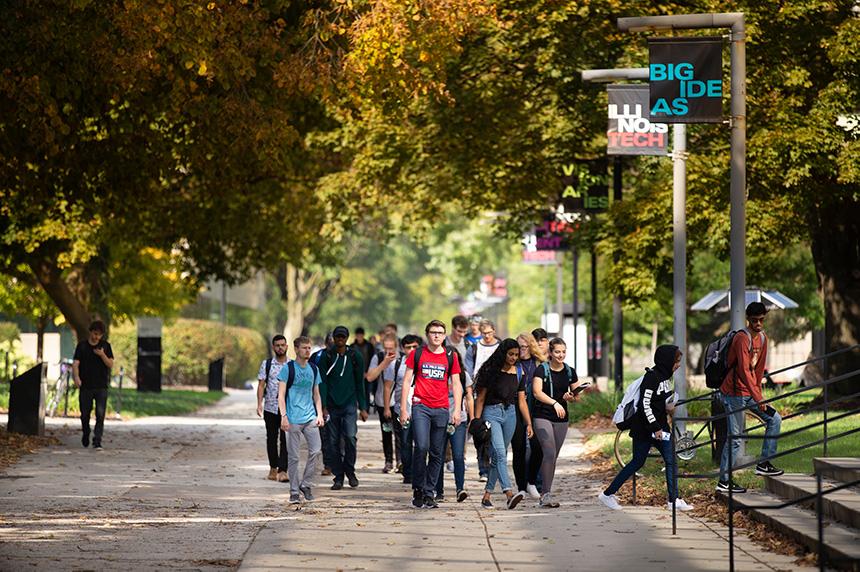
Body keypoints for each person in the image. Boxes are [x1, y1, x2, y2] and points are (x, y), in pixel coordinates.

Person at [598, 345, 694, 512]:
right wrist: (656, 427)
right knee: (641, 462)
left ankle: (673, 499)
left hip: (658, 427)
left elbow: (659, 402)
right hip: (647, 428)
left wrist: (669, 408)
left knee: (665, 461)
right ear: (666, 361)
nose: (678, 365)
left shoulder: (665, 378)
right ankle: (607, 495)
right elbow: (645, 405)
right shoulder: (652, 378)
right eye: (676, 361)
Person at [717, 302, 784, 493]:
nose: (758, 324)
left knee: (774, 419)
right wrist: (758, 397)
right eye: (754, 320)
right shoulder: (741, 338)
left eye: (762, 320)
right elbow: (744, 371)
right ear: (748, 319)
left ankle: (764, 463)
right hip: (733, 394)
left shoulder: (763, 339)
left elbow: (758, 370)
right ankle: (724, 481)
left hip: (750, 393)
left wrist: (759, 396)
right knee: (736, 437)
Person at [400, 320, 463, 509]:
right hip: (421, 407)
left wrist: (457, 409)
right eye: (433, 332)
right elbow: (406, 381)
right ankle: (418, 488)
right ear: (427, 334)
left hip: (442, 409)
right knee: (421, 447)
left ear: (444, 335)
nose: (437, 335)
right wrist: (404, 409)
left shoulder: (451, 355)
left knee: (437, 453)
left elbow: (457, 383)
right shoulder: (417, 354)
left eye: (440, 333)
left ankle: (429, 493)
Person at [474, 338, 533, 510]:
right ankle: (508, 492)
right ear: (503, 353)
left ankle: (487, 495)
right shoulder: (490, 370)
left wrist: (528, 423)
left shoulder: (520, 372)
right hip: (491, 413)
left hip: (511, 414)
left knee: (499, 456)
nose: (514, 357)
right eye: (510, 354)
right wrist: (476, 422)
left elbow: (522, 401)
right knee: (500, 452)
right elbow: (481, 398)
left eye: (516, 354)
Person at [531, 337, 582, 508]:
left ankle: (547, 492)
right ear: (550, 353)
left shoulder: (569, 371)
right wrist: (555, 402)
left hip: (561, 418)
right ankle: (545, 494)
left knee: (552, 457)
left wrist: (571, 397)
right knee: (550, 453)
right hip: (542, 415)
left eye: (563, 352)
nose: (561, 355)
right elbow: (537, 392)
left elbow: (577, 397)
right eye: (557, 352)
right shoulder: (541, 370)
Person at [318, 325, 368, 490]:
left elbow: (360, 383)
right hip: (332, 406)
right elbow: (322, 383)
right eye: (337, 337)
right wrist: (323, 406)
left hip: (349, 404)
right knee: (332, 442)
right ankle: (338, 476)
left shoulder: (355, 356)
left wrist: (363, 407)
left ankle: (350, 471)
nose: (340, 339)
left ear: (347, 338)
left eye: (343, 337)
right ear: (333, 338)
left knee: (350, 438)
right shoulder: (326, 356)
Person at [277, 336, 325, 504]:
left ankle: (306, 484)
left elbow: (316, 394)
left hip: (310, 417)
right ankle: (294, 491)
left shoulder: (314, 369)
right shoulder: (288, 369)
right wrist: (283, 416)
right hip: (293, 419)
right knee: (294, 457)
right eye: (304, 348)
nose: (307, 351)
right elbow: (281, 396)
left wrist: (319, 414)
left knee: (316, 451)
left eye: (309, 348)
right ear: (296, 349)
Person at [436, 317, 475, 502]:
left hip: (459, 419)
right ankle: (439, 491)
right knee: (438, 455)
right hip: (439, 417)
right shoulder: (438, 374)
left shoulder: (463, 375)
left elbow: (469, 396)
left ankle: (460, 489)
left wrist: (473, 417)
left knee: (458, 456)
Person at [512, 332, 546, 500]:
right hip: (516, 410)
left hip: (536, 410)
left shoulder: (539, 364)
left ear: (531, 347)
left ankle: (532, 481)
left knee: (537, 448)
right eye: (519, 347)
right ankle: (521, 487)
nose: (522, 350)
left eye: (525, 347)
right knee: (519, 449)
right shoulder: (513, 364)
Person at [466, 319, 500, 481]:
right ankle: (483, 469)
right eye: (484, 333)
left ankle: (491, 464)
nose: (487, 336)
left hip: (495, 395)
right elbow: (468, 372)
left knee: (493, 433)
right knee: (480, 431)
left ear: (494, 331)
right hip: (477, 395)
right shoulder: (474, 348)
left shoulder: (501, 347)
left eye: (489, 333)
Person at [384, 334, 421, 483]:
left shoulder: (424, 362)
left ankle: (419, 472)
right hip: (402, 409)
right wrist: (387, 407)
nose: (411, 350)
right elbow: (387, 387)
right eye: (408, 347)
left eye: (414, 347)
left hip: (421, 409)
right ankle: (408, 472)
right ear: (402, 348)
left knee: (421, 443)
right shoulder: (396, 364)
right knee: (405, 442)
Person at [73, 320, 114, 450]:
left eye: (99, 335)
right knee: (85, 413)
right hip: (86, 385)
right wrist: (76, 377)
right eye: (95, 333)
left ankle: (97, 440)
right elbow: (75, 364)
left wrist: (102, 355)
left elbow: (110, 364)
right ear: (90, 332)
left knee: (100, 414)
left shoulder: (105, 346)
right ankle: (86, 432)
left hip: (101, 385)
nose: (97, 337)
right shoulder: (82, 346)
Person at [257, 335, 290, 482]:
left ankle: (283, 470)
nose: (280, 348)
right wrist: (259, 404)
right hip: (270, 407)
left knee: (286, 439)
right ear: (273, 347)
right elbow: (261, 385)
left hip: (287, 409)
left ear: (287, 346)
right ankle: (273, 467)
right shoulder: (267, 364)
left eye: (282, 345)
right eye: (277, 345)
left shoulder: (292, 365)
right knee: (271, 438)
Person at [365, 333, 399, 473]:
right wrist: (383, 364)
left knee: (401, 433)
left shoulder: (402, 359)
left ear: (396, 347)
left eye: (391, 348)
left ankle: (402, 461)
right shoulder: (378, 357)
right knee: (386, 432)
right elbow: (369, 377)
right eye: (386, 348)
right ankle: (389, 461)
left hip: (398, 401)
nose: (388, 351)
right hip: (381, 401)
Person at [311, 333, 336, 476]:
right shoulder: (317, 357)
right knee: (324, 435)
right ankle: (328, 464)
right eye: (330, 343)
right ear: (326, 344)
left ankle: (340, 463)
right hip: (320, 401)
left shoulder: (345, 356)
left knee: (340, 436)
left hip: (338, 402)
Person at [352, 326, 376, 412]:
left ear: (363, 335)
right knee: (356, 390)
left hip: (367, 372)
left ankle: (366, 408)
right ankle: (358, 407)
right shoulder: (352, 346)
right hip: (355, 373)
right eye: (358, 335)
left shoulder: (369, 346)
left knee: (366, 390)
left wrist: (368, 372)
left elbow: (372, 359)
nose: (359, 337)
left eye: (360, 335)